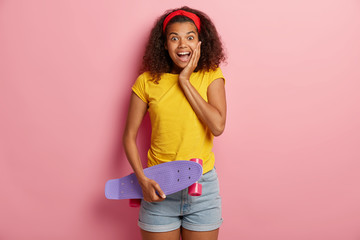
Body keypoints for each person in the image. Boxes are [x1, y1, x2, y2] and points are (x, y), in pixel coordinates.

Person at [123, 6, 227, 240]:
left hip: (203, 188)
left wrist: (185, 81)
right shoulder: (147, 81)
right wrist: (142, 180)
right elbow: (128, 136)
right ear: (164, 44)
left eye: (190, 37)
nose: (182, 45)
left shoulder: (211, 75)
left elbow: (218, 126)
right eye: (174, 38)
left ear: (201, 43)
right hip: (158, 187)